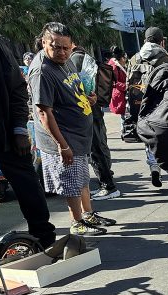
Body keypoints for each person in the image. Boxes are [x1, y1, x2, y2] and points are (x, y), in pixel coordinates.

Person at [28, 22, 116, 236]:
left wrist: (88, 98)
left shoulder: (64, 61)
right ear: (43, 43)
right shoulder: (42, 71)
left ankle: (88, 214)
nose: (62, 52)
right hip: (64, 138)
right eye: (56, 47)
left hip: (78, 136)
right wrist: (62, 145)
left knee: (82, 179)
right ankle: (77, 222)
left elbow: (71, 88)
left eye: (66, 48)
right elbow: (43, 113)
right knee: (71, 183)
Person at [0, 27, 55, 247]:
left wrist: (19, 128)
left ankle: (44, 239)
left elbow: (18, 87)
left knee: (27, 184)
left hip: (3, 132)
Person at [70, 44, 120, 201]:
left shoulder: (76, 59)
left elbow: (77, 86)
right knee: (99, 147)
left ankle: (108, 185)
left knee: (95, 150)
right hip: (94, 108)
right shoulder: (85, 57)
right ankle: (106, 183)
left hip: (88, 109)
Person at [126, 27, 168, 189]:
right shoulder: (166, 59)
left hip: (141, 107)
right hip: (163, 107)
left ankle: (154, 167)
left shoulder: (134, 59)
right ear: (161, 41)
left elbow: (128, 83)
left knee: (149, 139)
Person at [107, 47, 128, 140]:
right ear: (121, 58)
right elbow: (113, 82)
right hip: (119, 93)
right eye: (124, 57)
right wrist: (126, 86)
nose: (125, 60)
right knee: (124, 113)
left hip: (120, 93)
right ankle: (124, 132)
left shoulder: (114, 64)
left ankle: (125, 131)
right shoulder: (114, 66)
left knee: (125, 113)